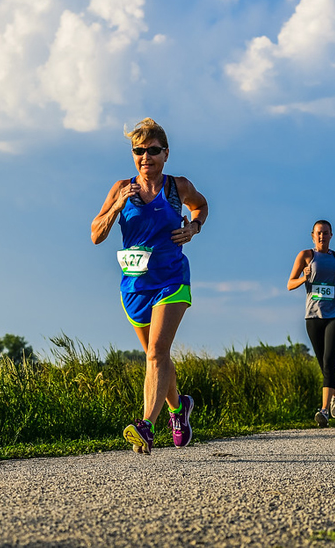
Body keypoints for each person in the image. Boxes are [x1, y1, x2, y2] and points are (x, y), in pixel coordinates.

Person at [91, 118, 208, 455]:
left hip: (171, 279)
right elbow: (96, 235)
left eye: (153, 151)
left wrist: (194, 228)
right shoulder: (120, 188)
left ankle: (145, 426)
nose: (145, 157)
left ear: (166, 153)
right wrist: (116, 205)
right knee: (156, 356)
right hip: (135, 285)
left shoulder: (178, 187)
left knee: (156, 353)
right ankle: (179, 408)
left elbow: (201, 205)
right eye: (138, 151)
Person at [287, 220, 335, 427]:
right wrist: (303, 278)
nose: (321, 237)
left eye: (325, 233)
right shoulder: (306, 256)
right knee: (323, 365)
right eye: (318, 233)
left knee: (329, 361)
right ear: (312, 235)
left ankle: (323, 411)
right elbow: (290, 283)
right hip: (313, 316)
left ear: (331, 235)